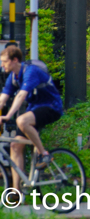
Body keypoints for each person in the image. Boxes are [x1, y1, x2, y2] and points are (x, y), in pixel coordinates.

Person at [0, 44, 64, 182]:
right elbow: (3, 98)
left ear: (15, 60)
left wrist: (8, 115)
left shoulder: (31, 71)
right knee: (15, 146)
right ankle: (16, 193)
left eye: (5, 61)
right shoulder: (13, 77)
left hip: (52, 107)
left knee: (22, 121)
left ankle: (43, 154)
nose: (2, 65)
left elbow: (21, 95)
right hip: (35, 109)